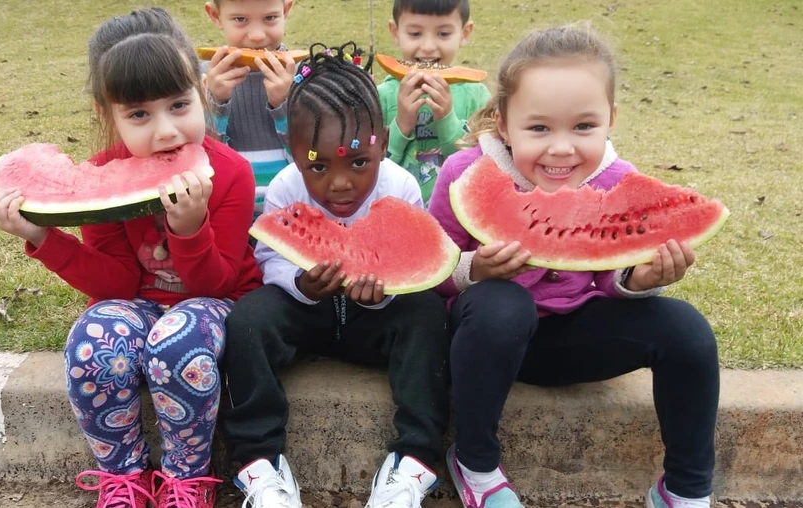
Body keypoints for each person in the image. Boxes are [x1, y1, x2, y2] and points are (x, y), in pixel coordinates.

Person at [428, 25, 719, 508]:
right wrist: (474, 270)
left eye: (583, 127)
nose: (561, 149)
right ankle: (475, 463)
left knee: (687, 329)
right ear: (503, 124)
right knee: (504, 304)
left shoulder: (619, 182)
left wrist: (638, 279)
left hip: (574, 341)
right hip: (488, 342)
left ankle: (685, 490)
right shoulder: (466, 175)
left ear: (610, 119)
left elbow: (607, 272)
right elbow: (432, 269)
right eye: (539, 128)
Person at [0, 8, 261, 508]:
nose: (166, 132)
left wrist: (189, 229)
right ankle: (123, 477)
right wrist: (43, 237)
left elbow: (216, 283)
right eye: (139, 114)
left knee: (177, 348)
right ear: (105, 114)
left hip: (217, 300)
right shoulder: (98, 181)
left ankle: (186, 480)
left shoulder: (232, 174)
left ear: (201, 93)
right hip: (135, 300)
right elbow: (114, 283)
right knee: (93, 342)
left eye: (179, 105)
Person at [220, 42, 451, 508]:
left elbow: (413, 263)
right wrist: (300, 285)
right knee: (247, 319)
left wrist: (382, 296)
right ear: (295, 152)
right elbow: (270, 258)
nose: (339, 183)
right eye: (318, 166)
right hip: (308, 318)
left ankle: (414, 462)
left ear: (384, 143)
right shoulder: (286, 187)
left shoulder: (401, 186)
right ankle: (258, 463)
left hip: (376, 322)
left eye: (359, 162)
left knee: (426, 314)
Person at [378, 0, 490, 206]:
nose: (428, 47)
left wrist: (448, 121)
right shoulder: (381, 97)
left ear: (464, 33)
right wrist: (400, 125)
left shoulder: (478, 97)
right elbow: (371, 171)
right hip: (395, 214)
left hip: (455, 218)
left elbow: (481, 170)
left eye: (444, 34)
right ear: (395, 32)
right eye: (415, 33)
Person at [203, 0, 297, 216]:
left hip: (293, 214)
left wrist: (284, 104)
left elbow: (310, 158)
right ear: (215, 16)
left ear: (286, 10)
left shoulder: (304, 76)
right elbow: (205, 161)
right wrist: (214, 101)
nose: (256, 35)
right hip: (229, 215)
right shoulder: (203, 80)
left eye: (270, 18)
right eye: (240, 19)